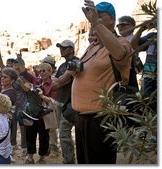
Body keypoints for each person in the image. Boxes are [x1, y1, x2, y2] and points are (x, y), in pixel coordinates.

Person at [69, 1, 132, 164]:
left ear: (111, 19)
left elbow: (119, 53)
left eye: (99, 16)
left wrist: (96, 23)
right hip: (82, 118)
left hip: (100, 119)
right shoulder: (92, 46)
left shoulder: (122, 42)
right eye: (92, 15)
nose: (93, 18)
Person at [52, 39, 78, 164]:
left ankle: (69, 161)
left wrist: (61, 81)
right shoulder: (63, 66)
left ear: (71, 49)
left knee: (64, 134)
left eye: (64, 47)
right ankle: (69, 159)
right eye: (60, 48)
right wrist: (61, 81)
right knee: (64, 135)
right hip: (60, 103)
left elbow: (59, 82)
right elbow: (55, 84)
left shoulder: (76, 62)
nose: (61, 50)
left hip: (72, 104)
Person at [131, 18, 157, 112]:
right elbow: (134, 45)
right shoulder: (152, 36)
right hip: (149, 74)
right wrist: (141, 29)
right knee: (147, 102)